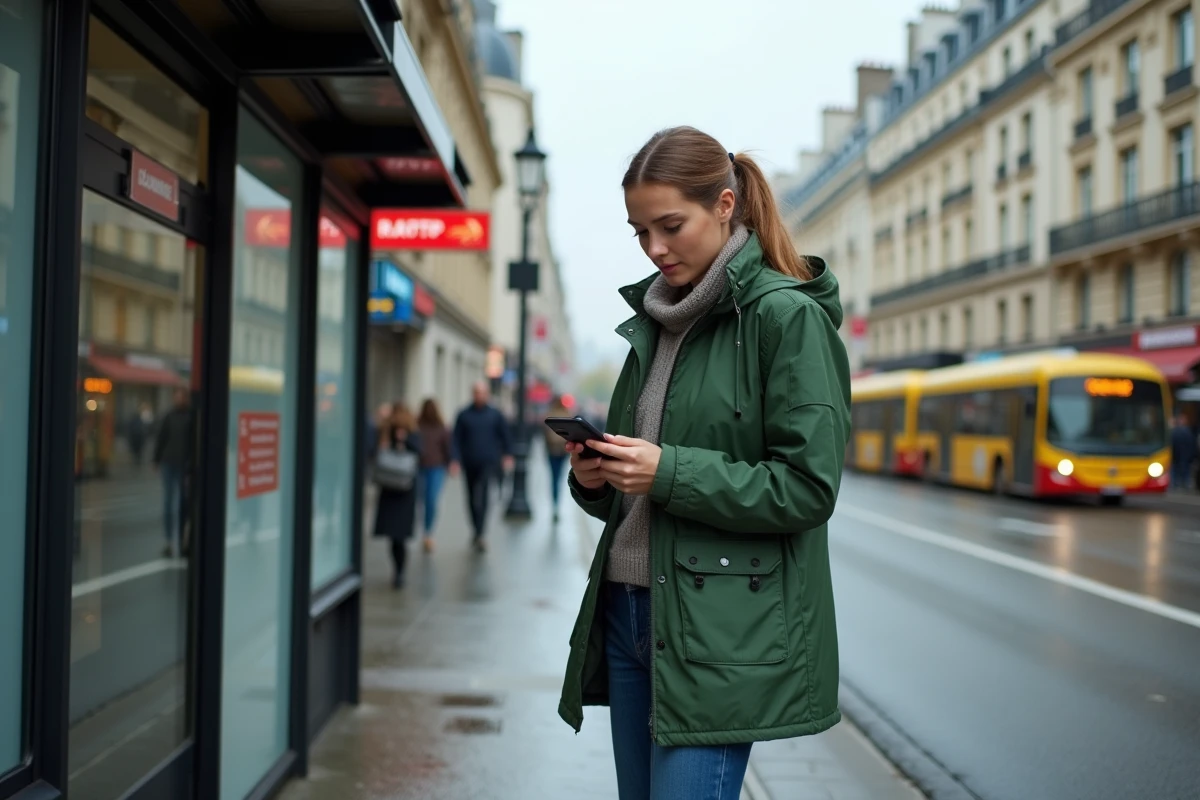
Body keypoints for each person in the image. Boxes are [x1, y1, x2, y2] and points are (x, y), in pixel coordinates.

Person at [557, 127, 851, 799]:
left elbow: (808, 489)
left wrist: (665, 472)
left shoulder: (785, 319)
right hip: (628, 611)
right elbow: (637, 493)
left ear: (724, 205)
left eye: (670, 226)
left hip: (721, 630)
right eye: (640, 232)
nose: (654, 248)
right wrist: (596, 478)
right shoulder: (654, 323)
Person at [453, 382, 513, 552]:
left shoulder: (495, 414)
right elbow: (456, 439)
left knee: (485, 496)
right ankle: (476, 528)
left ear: (487, 394)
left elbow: (505, 435)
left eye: (482, 393)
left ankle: (480, 532)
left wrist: (508, 455)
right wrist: (455, 459)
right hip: (469, 462)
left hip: (488, 462)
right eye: (477, 392)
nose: (479, 396)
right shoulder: (464, 415)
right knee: (472, 497)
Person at [372, 403, 422, 588]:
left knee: (397, 536)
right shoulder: (386, 431)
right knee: (396, 536)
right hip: (394, 488)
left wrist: (404, 441)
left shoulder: (410, 433)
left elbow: (418, 452)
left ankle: (399, 572)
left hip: (400, 488)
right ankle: (399, 571)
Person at [154, 388, 193, 558]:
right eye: (176, 397)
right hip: (168, 462)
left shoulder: (191, 416)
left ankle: (182, 541)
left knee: (183, 504)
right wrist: (156, 459)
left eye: (181, 397)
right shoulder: (169, 416)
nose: (178, 400)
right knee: (168, 503)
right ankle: (169, 541)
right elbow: (161, 437)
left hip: (183, 465)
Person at [417, 398, 456, 552]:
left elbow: (449, 448)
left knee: (431, 499)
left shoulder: (442, 428)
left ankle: (428, 532)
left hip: (436, 468)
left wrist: (452, 463)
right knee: (422, 500)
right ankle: (425, 530)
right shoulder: (417, 426)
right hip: (420, 467)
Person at [543, 397, 571, 522]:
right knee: (559, 477)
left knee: (553, 478)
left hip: (552, 452)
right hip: (562, 451)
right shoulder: (567, 415)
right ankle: (556, 504)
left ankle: (555, 504)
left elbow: (545, 435)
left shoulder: (549, 415)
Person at [1170, 413, 1196, 490]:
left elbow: (1191, 444)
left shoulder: (1183, 431)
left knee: (1183, 470)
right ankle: (1179, 484)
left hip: (1183, 455)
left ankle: (1181, 484)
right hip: (1179, 455)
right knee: (1179, 469)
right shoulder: (1178, 431)